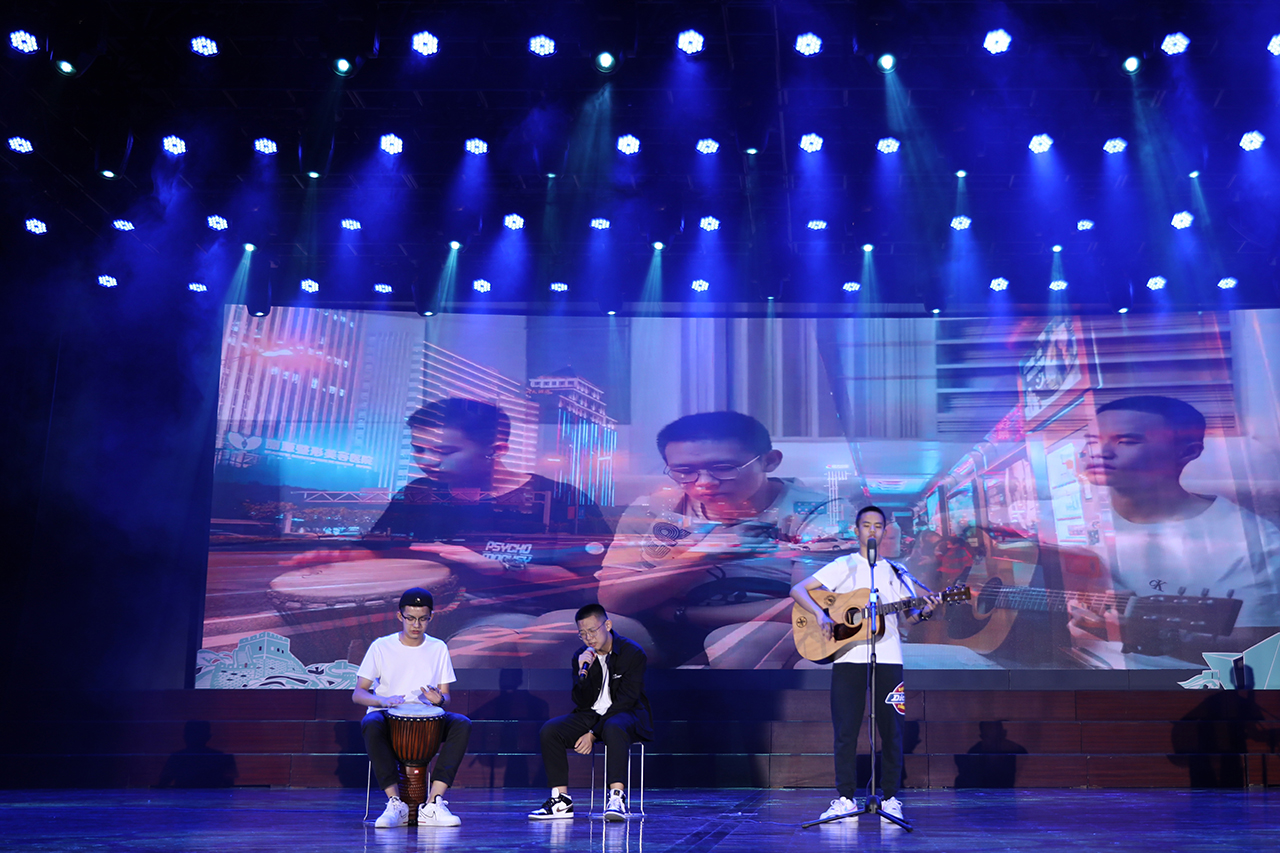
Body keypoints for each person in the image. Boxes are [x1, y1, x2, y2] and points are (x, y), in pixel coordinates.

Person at [295, 397, 614, 665]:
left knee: (467, 662)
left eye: (444, 452)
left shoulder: (559, 498)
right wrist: (337, 557)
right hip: (422, 615)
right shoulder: (417, 493)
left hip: (512, 617)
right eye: (418, 449)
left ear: (497, 449)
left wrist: (497, 567)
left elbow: (587, 582)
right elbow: (377, 551)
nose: (427, 461)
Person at [598, 411, 839, 668]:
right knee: (578, 630)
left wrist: (683, 614)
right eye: (684, 471)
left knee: (742, 642)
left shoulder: (814, 512)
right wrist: (704, 555)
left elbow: (811, 608)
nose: (704, 483)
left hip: (759, 629)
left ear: (769, 461)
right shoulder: (654, 508)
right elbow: (614, 599)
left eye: (724, 468)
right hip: (660, 630)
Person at [1072, 395, 1280, 664]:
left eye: (1126, 441)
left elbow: (1263, 652)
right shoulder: (1078, 520)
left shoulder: (1251, 541)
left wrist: (1159, 638)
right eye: (1091, 441)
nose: (1100, 452)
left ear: (1187, 452)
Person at [791, 506, 939, 824]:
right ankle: (845, 798)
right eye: (866, 525)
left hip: (889, 657)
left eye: (878, 526)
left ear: (885, 531)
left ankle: (890, 799)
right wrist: (821, 614)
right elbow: (798, 589)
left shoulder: (897, 571)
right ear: (856, 530)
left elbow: (910, 618)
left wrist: (926, 611)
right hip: (848, 657)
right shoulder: (842, 565)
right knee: (845, 729)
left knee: (892, 730)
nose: (872, 530)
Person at [354, 588, 473, 828]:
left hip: (429, 718)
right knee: (370, 723)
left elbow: (446, 697)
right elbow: (359, 693)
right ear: (400, 616)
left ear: (431, 617)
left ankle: (433, 803)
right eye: (410, 618)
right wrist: (383, 701)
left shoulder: (438, 647)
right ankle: (395, 803)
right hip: (387, 714)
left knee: (461, 723)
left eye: (422, 619)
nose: (416, 625)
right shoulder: (381, 646)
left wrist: (438, 700)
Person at [528, 604, 653, 822]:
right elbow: (581, 701)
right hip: (591, 714)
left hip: (627, 714)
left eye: (592, 631)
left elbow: (626, 701)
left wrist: (593, 734)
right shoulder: (581, 656)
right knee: (551, 730)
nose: (588, 638)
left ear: (607, 625)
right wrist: (582, 671)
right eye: (582, 633)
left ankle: (616, 797)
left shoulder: (632, 653)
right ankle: (561, 801)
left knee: (614, 725)